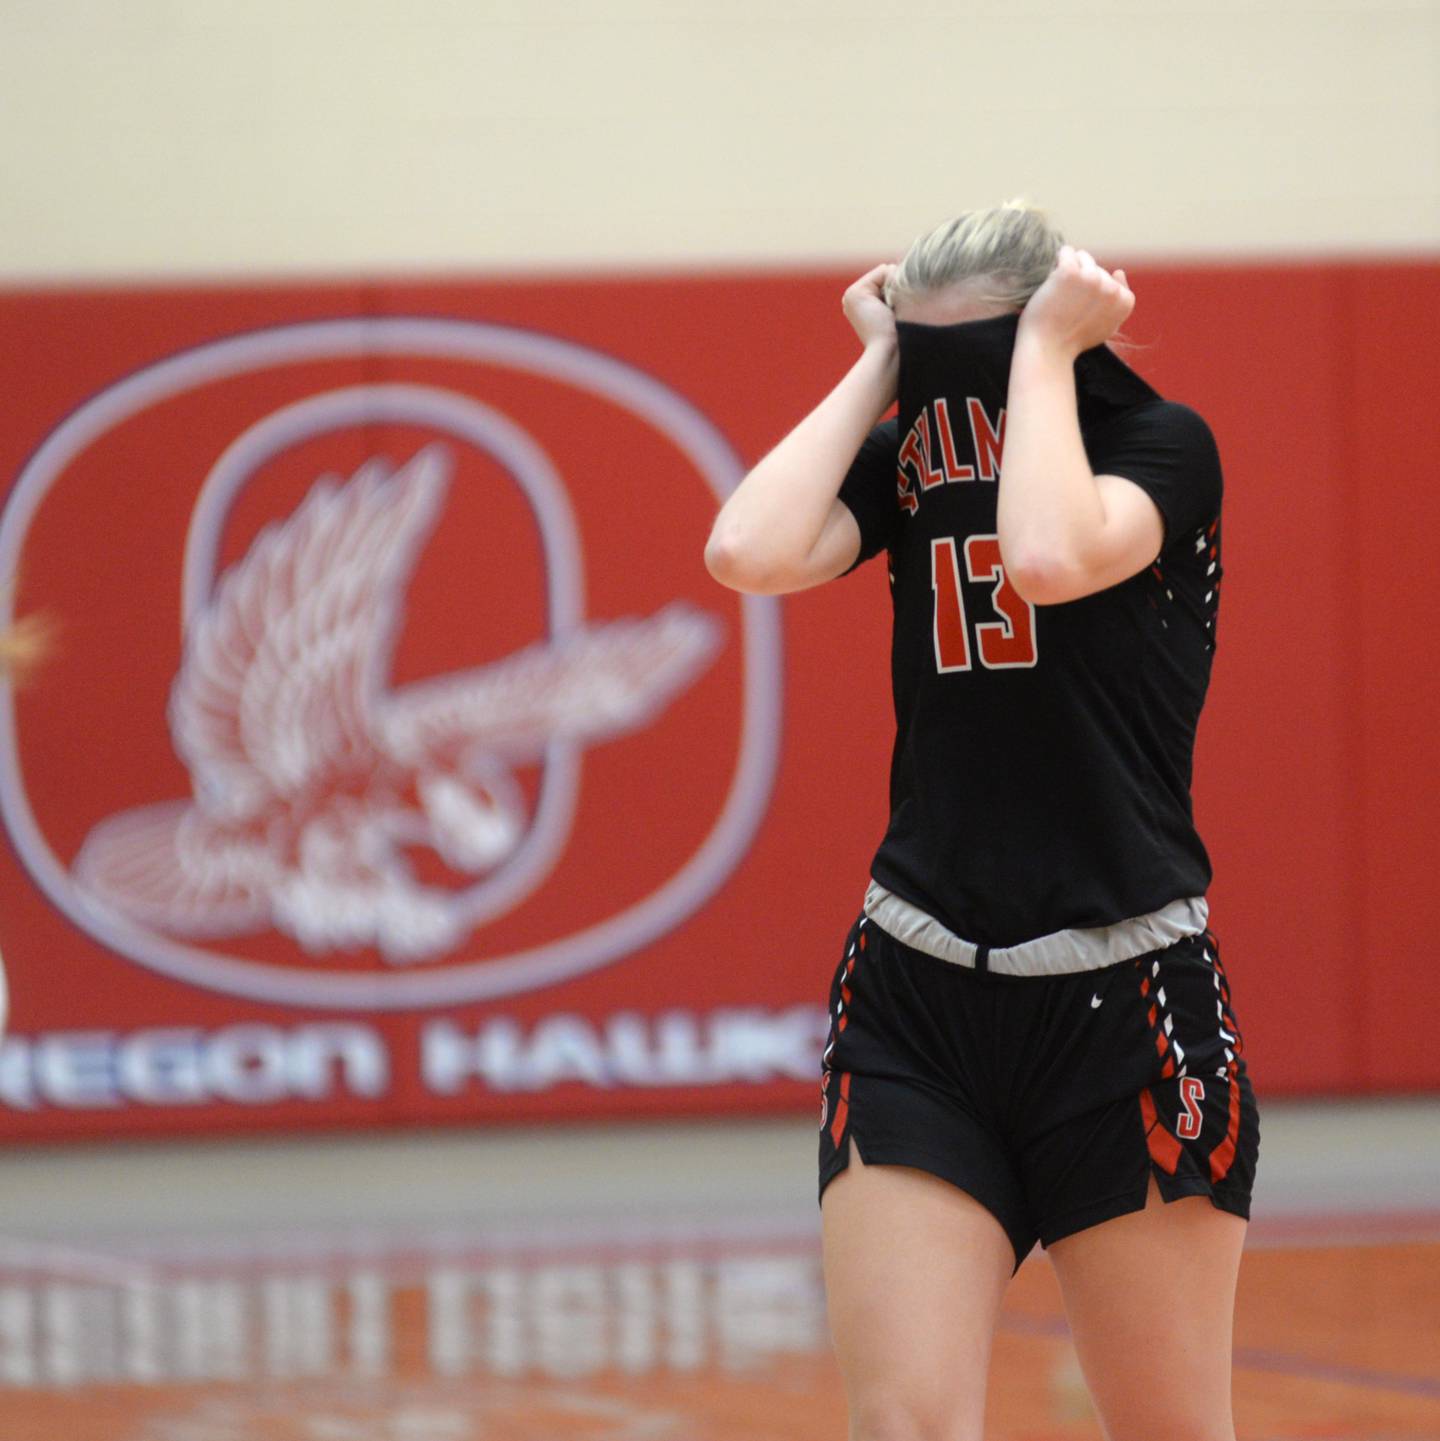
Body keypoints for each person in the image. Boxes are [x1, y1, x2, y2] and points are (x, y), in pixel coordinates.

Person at [704, 201, 1258, 1441]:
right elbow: (747, 548)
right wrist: (874, 366)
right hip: (919, 998)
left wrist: (1050, 356)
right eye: (928, 356)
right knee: (904, 1424)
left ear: (1051, 335)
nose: (949, 387)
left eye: (976, 356)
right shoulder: (912, 455)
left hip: (1124, 1007)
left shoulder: (1162, 445)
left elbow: (1052, 555)